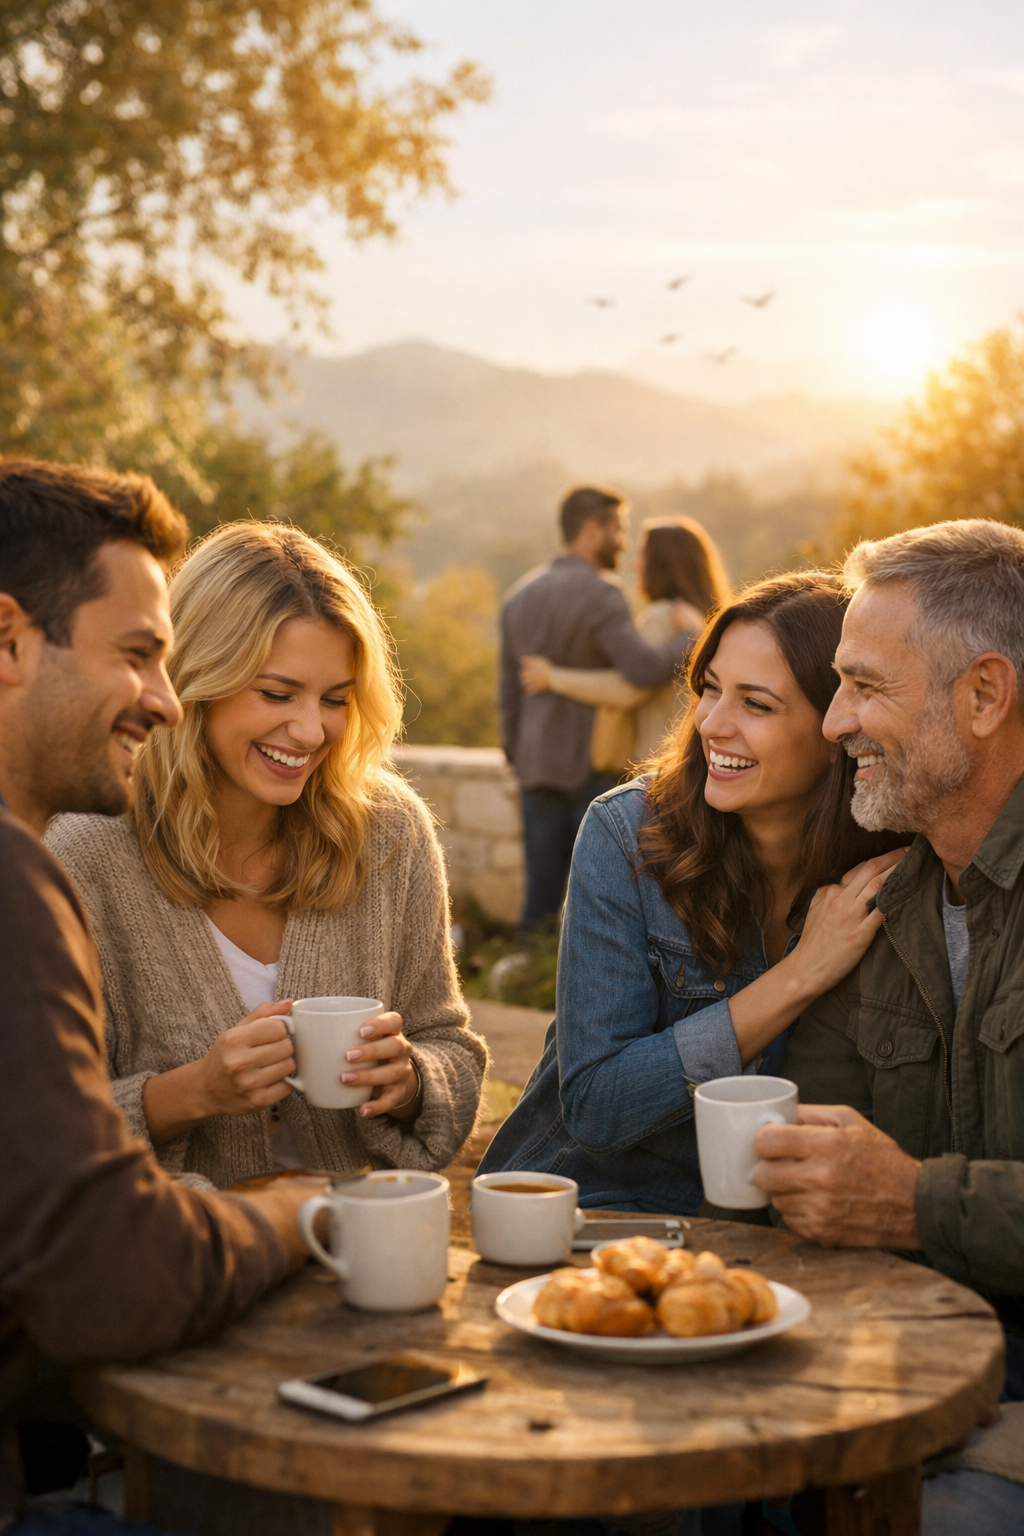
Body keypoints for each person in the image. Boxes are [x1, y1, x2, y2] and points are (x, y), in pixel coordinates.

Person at [0, 460, 321, 1532]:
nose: (163, 700)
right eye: (136, 655)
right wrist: (287, 1211)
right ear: (8, 641)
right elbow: (113, 1277)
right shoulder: (19, 878)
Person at [45, 520, 486, 1191]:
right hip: (183, 1262)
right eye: (277, 694)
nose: (311, 730)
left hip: (357, 1251)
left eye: (335, 700)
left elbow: (447, 1043)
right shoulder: (84, 854)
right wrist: (194, 1092)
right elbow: (40, 1132)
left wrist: (409, 1080)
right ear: (196, 681)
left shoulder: (390, 832)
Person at [749, 521, 1024, 1534]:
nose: (832, 723)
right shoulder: (874, 909)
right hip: (896, 1368)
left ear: (984, 695)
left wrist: (914, 1202)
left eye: (863, 686)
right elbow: (817, 1169)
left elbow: (889, 1202)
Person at [480, 572, 906, 1213]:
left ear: (837, 730)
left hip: (771, 1236)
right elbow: (597, 1105)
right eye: (709, 689)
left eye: (755, 704)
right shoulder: (626, 835)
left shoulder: (885, 865)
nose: (712, 723)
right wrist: (798, 977)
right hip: (586, 1208)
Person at [501, 486, 696, 933]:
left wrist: (519, 756)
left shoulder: (518, 597)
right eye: (618, 530)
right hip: (591, 766)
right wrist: (690, 639)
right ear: (592, 530)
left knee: (540, 893)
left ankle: (525, 975)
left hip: (535, 768)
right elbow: (642, 668)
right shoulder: (603, 594)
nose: (623, 543)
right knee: (593, 899)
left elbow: (507, 694)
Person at [520, 516, 730, 767]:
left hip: (663, 760)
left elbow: (630, 687)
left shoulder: (664, 615)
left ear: (662, 565)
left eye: (643, 555)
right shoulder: (711, 616)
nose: (635, 564)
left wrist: (553, 678)